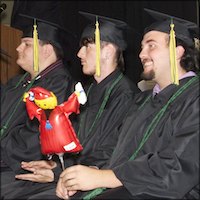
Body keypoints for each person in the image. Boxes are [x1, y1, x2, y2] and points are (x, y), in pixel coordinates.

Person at [56, 8, 200, 199]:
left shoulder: (194, 96)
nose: (141, 54)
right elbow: (114, 148)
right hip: (129, 187)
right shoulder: (142, 100)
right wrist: (84, 173)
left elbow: (181, 165)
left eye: (151, 46)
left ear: (177, 51)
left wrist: (107, 177)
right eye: (142, 47)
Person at [1, 12, 140, 199]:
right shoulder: (84, 92)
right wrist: (55, 166)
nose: (79, 54)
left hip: (98, 179)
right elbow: (69, 138)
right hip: (69, 174)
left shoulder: (126, 95)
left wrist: (59, 172)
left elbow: (111, 151)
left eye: (86, 46)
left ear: (107, 51)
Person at [0, 15, 75, 187]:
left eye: (26, 44)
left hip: (24, 171)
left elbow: (36, 138)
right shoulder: (18, 82)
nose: (18, 48)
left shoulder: (60, 85)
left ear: (46, 50)